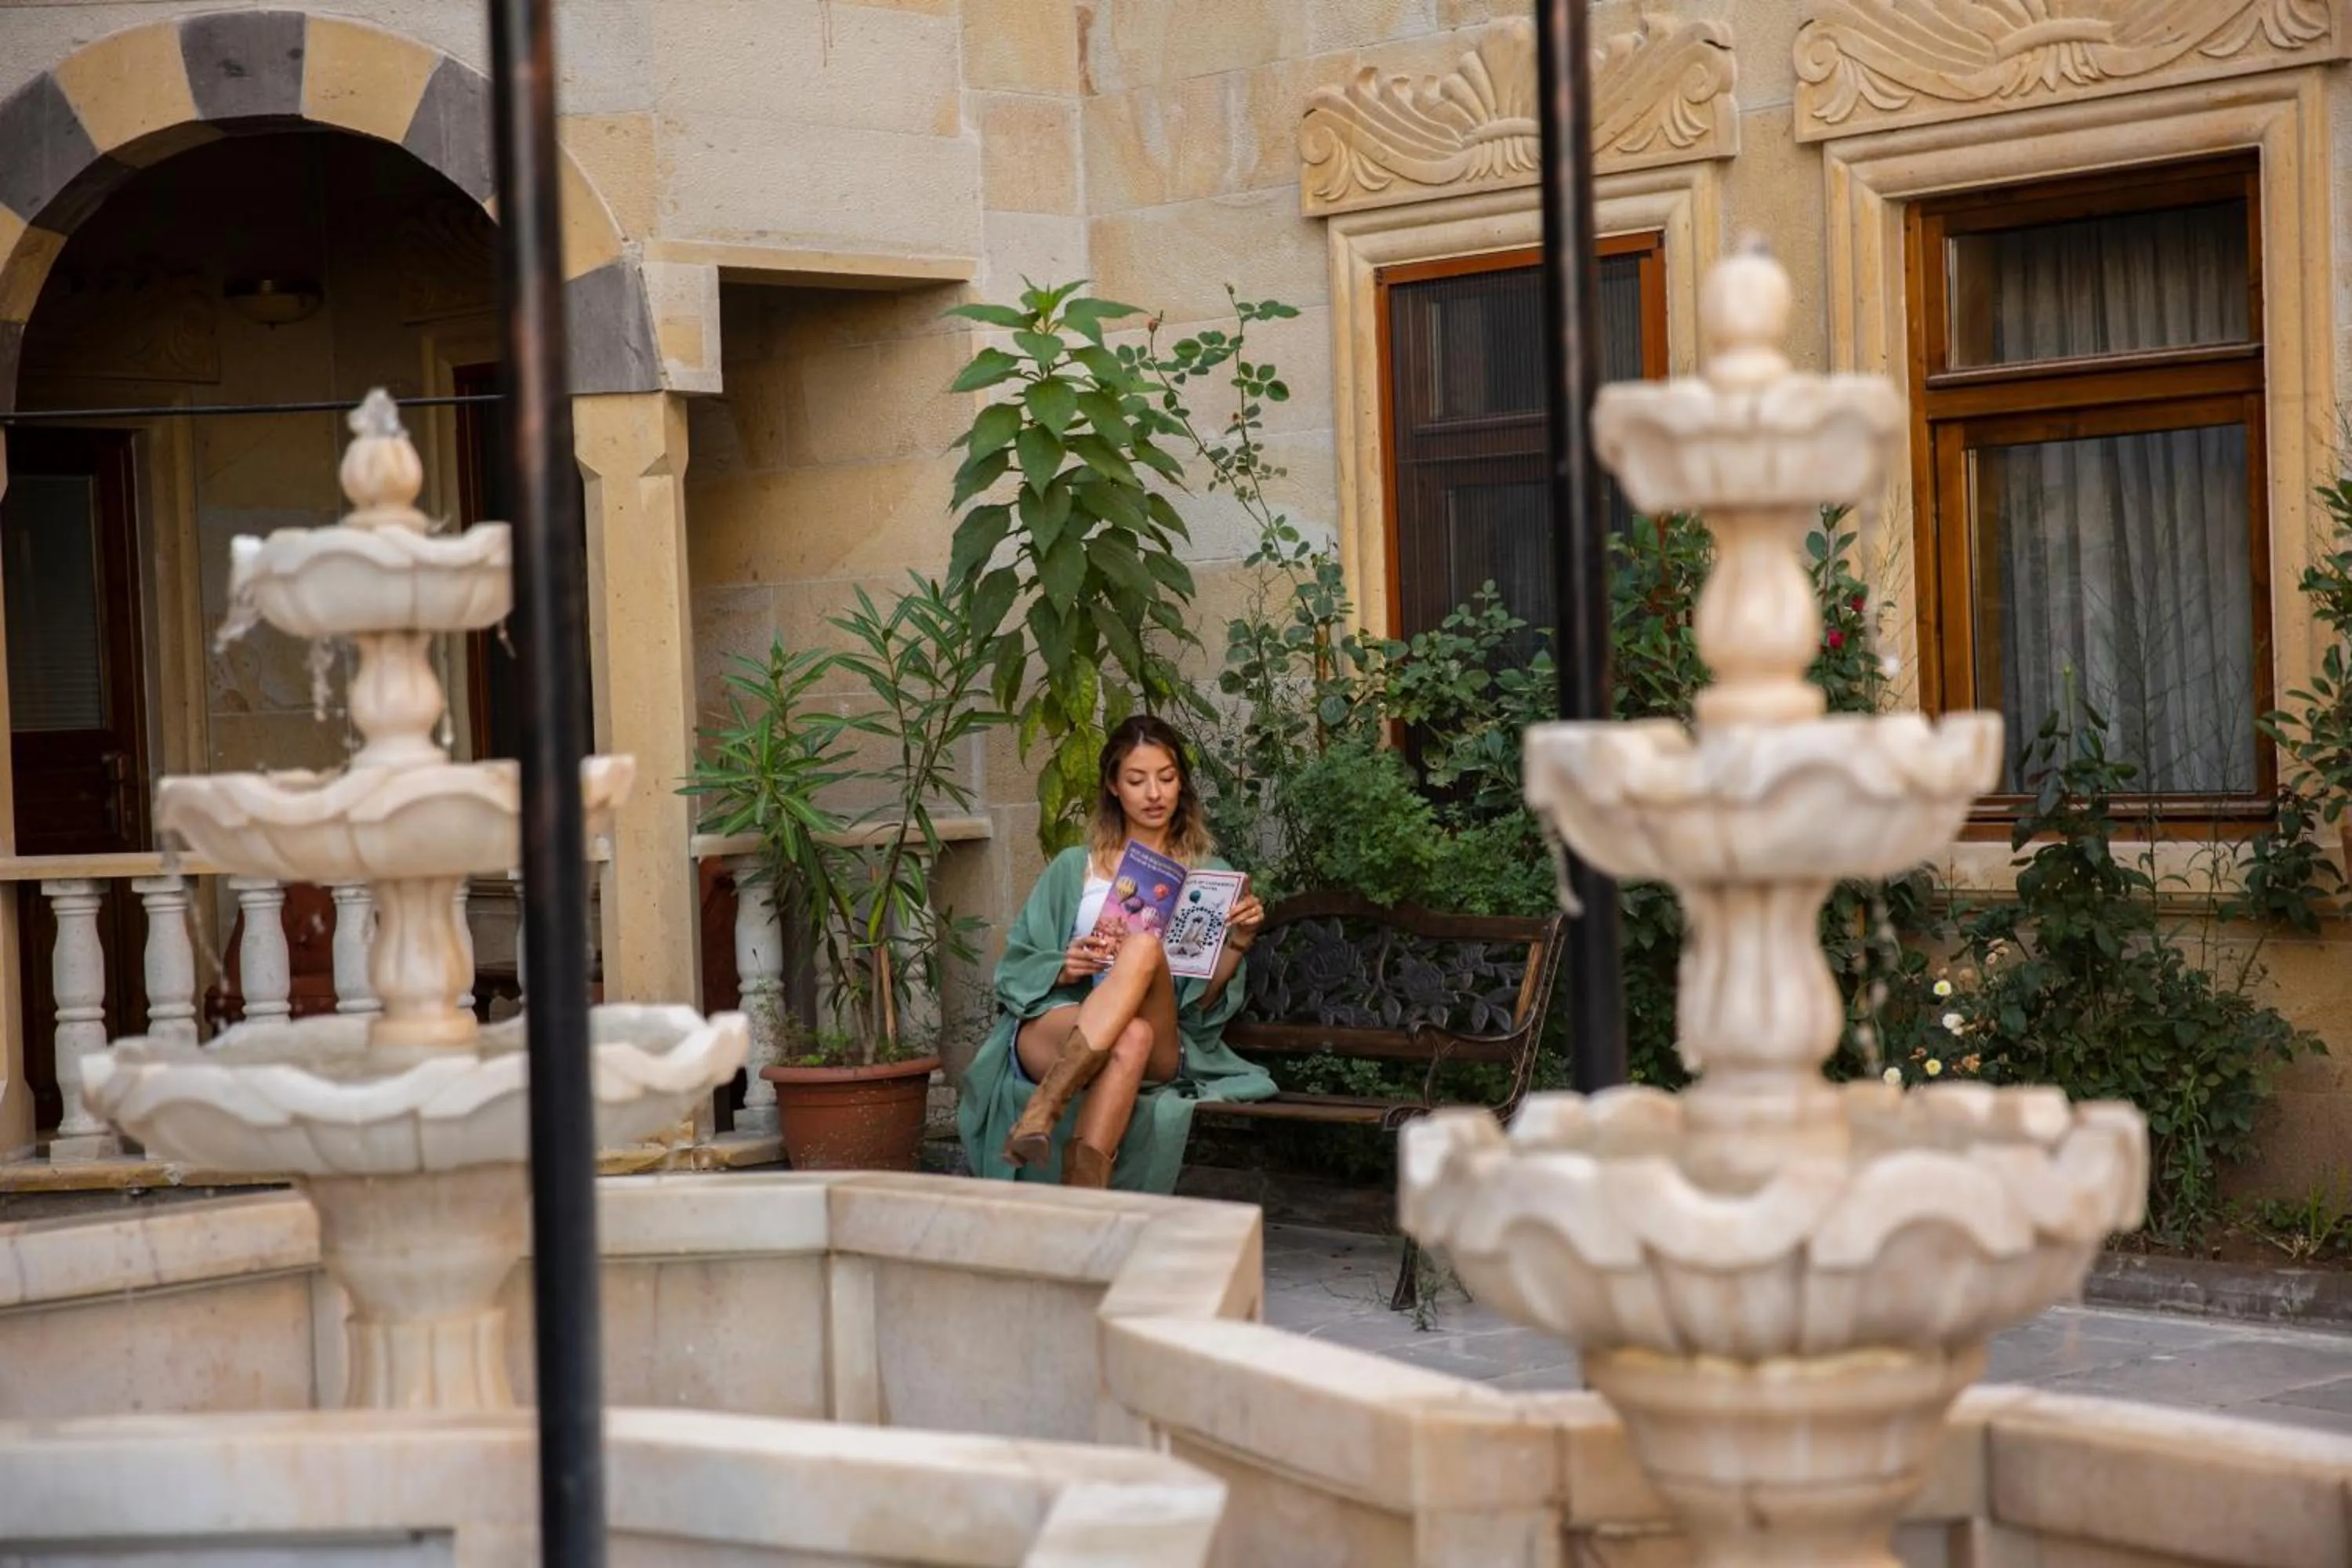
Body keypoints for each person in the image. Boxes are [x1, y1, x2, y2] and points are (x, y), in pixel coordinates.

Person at [957, 716, 1277, 1189]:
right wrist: (1064, 965)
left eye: (1167, 778)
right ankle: (1085, 1206)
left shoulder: (1209, 876)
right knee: (1131, 1038)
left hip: (1164, 1033)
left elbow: (1203, 1003)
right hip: (1066, 1017)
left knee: (1144, 947)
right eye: (1137, 779)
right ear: (1113, 786)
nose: (1154, 793)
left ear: (1181, 783)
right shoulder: (1074, 869)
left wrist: (1240, 941)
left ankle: (1043, 1109)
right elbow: (1015, 968)